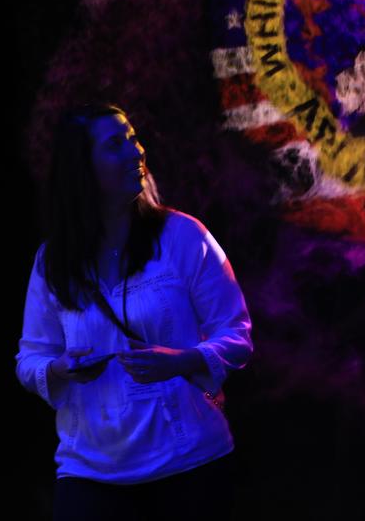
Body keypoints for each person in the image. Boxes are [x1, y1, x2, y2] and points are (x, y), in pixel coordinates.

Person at [15, 103, 253, 521]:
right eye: (114, 145)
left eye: (133, 138)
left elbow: (236, 334)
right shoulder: (53, 262)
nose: (135, 151)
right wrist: (61, 369)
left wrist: (183, 361)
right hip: (91, 471)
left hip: (190, 465)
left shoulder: (182, 236)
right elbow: (30, 358)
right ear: (82, 168)